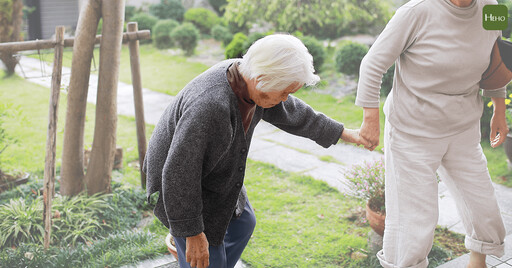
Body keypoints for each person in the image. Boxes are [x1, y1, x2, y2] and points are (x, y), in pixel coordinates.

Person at [143, 34, 369, 268]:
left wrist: (342, 133)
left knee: (243, 223)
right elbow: (178, 174)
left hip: (213, 172)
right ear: (262, 78)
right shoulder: (210, 106)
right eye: (283, 92)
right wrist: (191, 232)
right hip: (181, 188)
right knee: (206, 257)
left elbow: (292, 111)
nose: (284, 99)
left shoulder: (248, 79)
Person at [356, 0, 508, 267]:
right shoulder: (415, 12)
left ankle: (478, 261)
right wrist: (371, 119)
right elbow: (372, 65)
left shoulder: (493, 7)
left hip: (463, 128)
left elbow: (497, 60)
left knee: (482, 202)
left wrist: (498, 109)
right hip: (412, 132)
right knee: (414, 219)